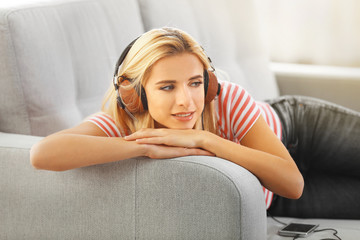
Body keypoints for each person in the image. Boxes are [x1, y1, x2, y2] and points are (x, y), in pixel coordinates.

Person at [30, 27, 360, 211]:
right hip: (275, 195)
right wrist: (143, 147)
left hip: (300, 130)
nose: (186, 101)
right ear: (136, 95)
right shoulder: (126, 118)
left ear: (209, 81)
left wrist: (205, 140)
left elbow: (292, 177)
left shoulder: (226, 97)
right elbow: (43, 154)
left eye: (195, 82)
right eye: (167, 87)